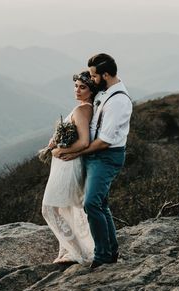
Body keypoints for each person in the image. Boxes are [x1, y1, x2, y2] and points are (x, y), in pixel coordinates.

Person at [56, 53, 132, 269]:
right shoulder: (105, 92)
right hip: (94, 155)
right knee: (101, 203)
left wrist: (76, 152)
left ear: (105, 75)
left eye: (93, 75)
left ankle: (102, 255)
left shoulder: (118, 101)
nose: (91, 79)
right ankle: (111, 250)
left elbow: (105, 141)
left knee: (91, 203)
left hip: (105, 156)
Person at [41, 71, 98, 265]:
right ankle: (68, 249)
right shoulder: (84, 108)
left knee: (51, 207)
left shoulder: (83, 110)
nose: (78, 90)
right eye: (76, 86)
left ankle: (75, 252)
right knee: (64, 207)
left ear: (91, 91)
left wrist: (58, 149)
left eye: (83, 87)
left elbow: (83, 142)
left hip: (68, 164)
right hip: (66, 163)